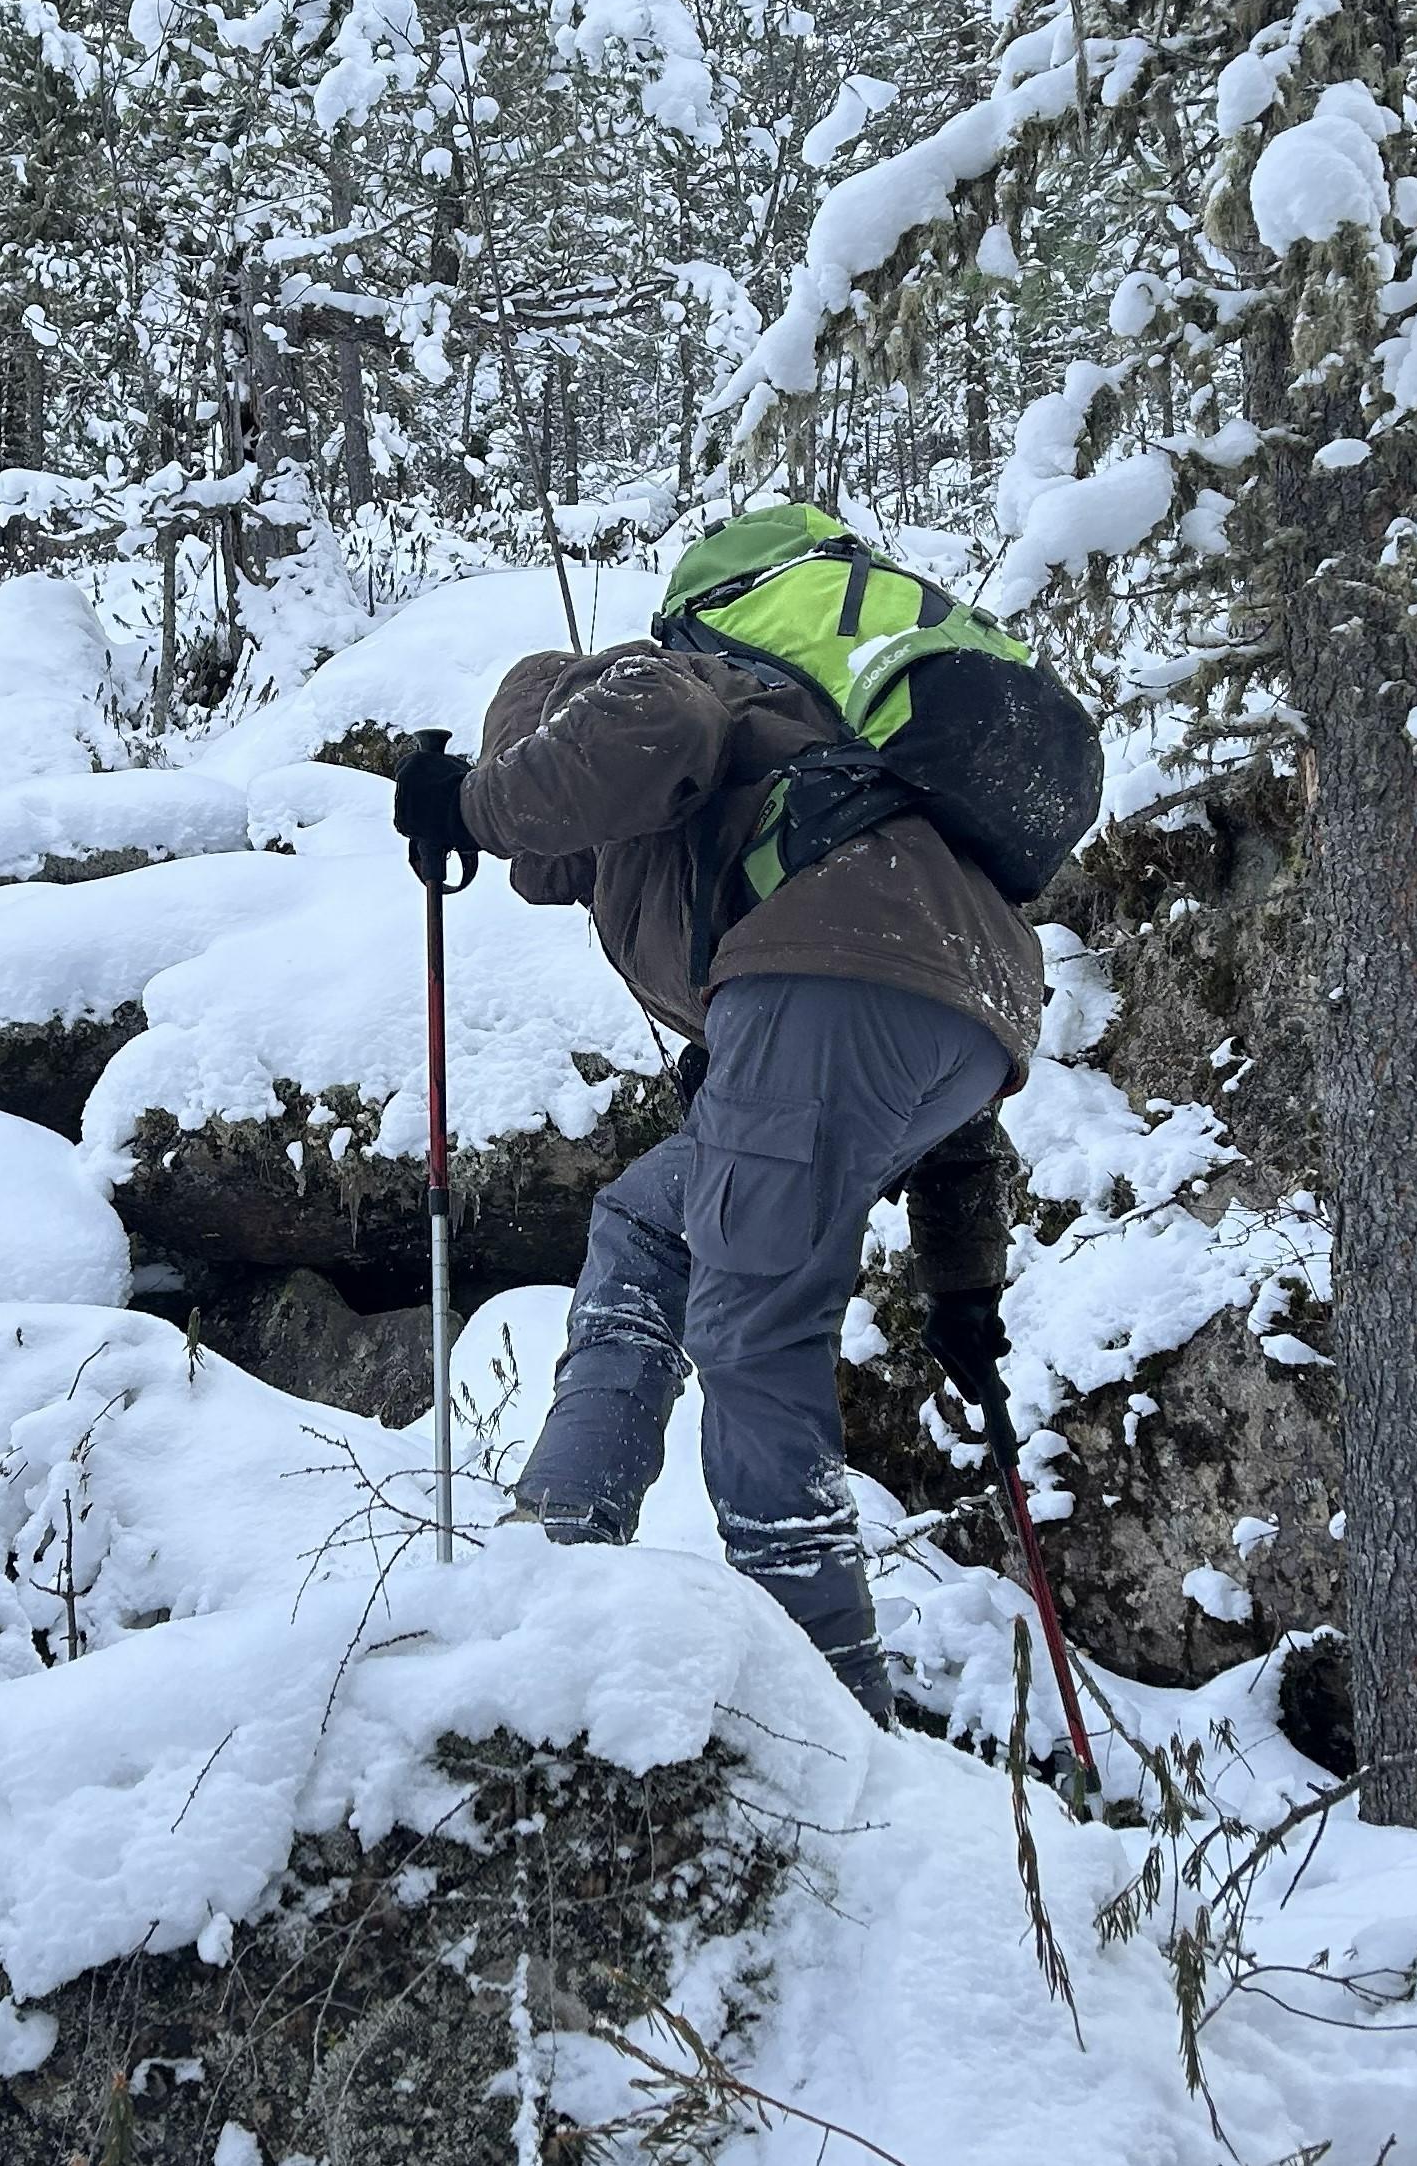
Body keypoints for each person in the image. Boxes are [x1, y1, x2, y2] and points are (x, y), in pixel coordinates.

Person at [393, 632, 1043, 1719]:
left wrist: (469, 803)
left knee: (754, 1338)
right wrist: (963, 1284)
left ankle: (832, 1717)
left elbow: (658, 723)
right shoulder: (813, 794)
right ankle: (558, 1541)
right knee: (651, 1222)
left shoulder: (637, 688)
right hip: (978, 1006)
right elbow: (915, 1031)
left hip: (829, 984)